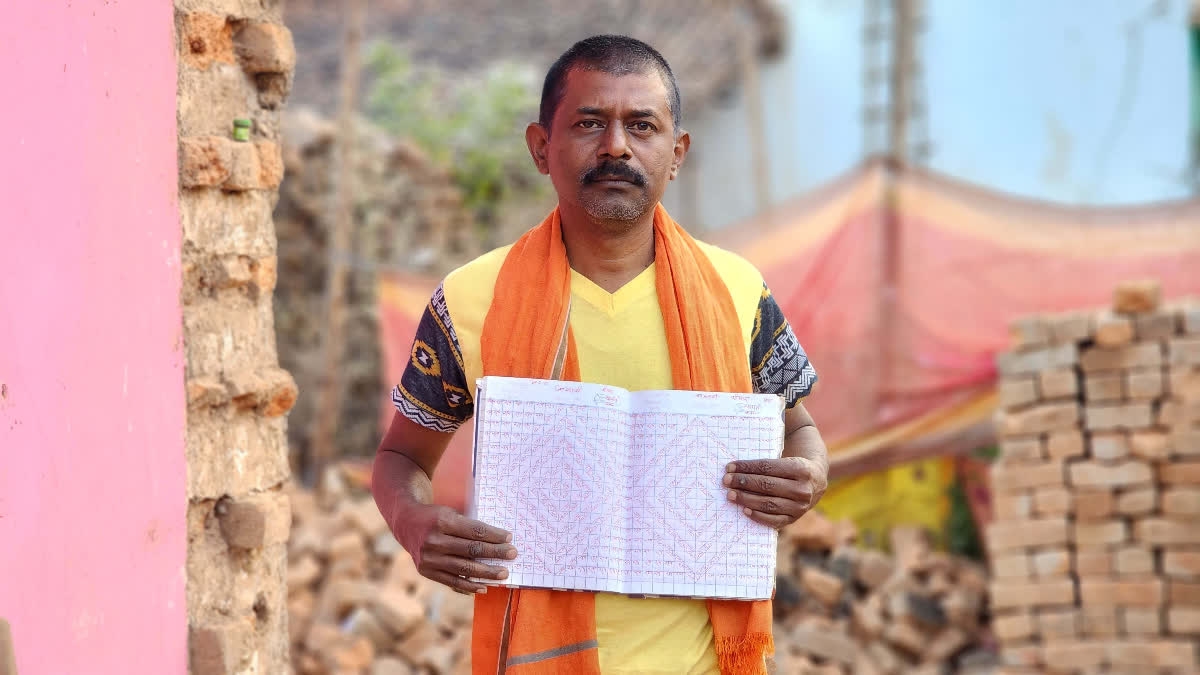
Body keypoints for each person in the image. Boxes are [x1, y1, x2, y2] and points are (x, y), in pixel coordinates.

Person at [371, 34, 829, 675]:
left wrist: (809, 474)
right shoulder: (473, 298)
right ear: (540, 147)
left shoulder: (737, 291)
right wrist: (415, 523)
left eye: (642, 126)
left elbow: (801, 429)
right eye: (590, 123)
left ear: (677, 154)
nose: (616, 146)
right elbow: (398, 459)